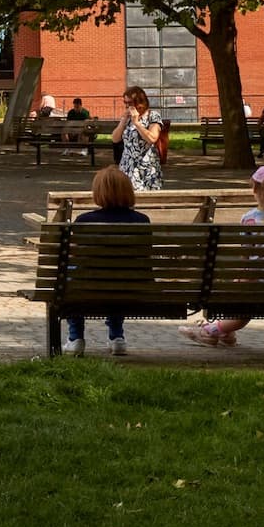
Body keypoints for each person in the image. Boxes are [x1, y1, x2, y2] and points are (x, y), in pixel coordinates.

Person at [180, 165, 264, 349]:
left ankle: (211, 331)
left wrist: (240, 277)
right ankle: (225, 331)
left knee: (240, 289)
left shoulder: (249, 218)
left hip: (258, 285)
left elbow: (245, 256)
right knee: (244, 287)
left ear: (255, 189)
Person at [63, 165, 148, 356]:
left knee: (71, 278)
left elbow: (76, 256)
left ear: (98, 192)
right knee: (119, 276)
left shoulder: (84, 221)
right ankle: (117, 337)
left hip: (89, 286)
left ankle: (75, 337)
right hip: (131, 288)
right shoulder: (142, 220)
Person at [112, 86, 165, 191]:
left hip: (146, 167)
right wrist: (123, 121)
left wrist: (137, 123)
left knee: (148, 201)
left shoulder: (153, 116)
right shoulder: (127, 118)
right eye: (125, 103)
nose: (127, 106)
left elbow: (152, 138)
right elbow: (115, 138)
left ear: (140, 102)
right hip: (127, 166)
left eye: (130, 103)